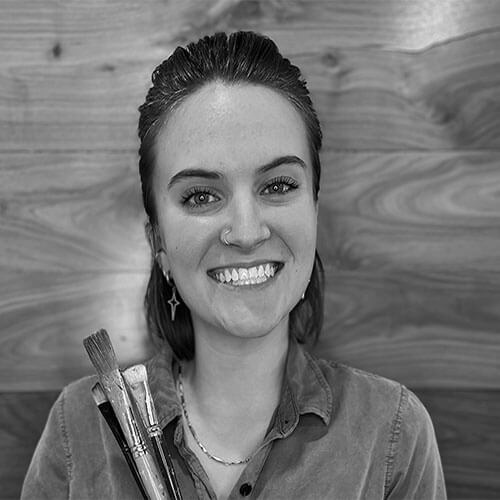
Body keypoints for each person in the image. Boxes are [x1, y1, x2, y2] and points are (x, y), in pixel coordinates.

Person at [22, 31, 446, 499]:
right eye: (201, 196)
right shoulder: (78, 430)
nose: (246, 232)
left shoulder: (393, 433)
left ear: (314, 211)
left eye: (278, 186)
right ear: (158, 242)